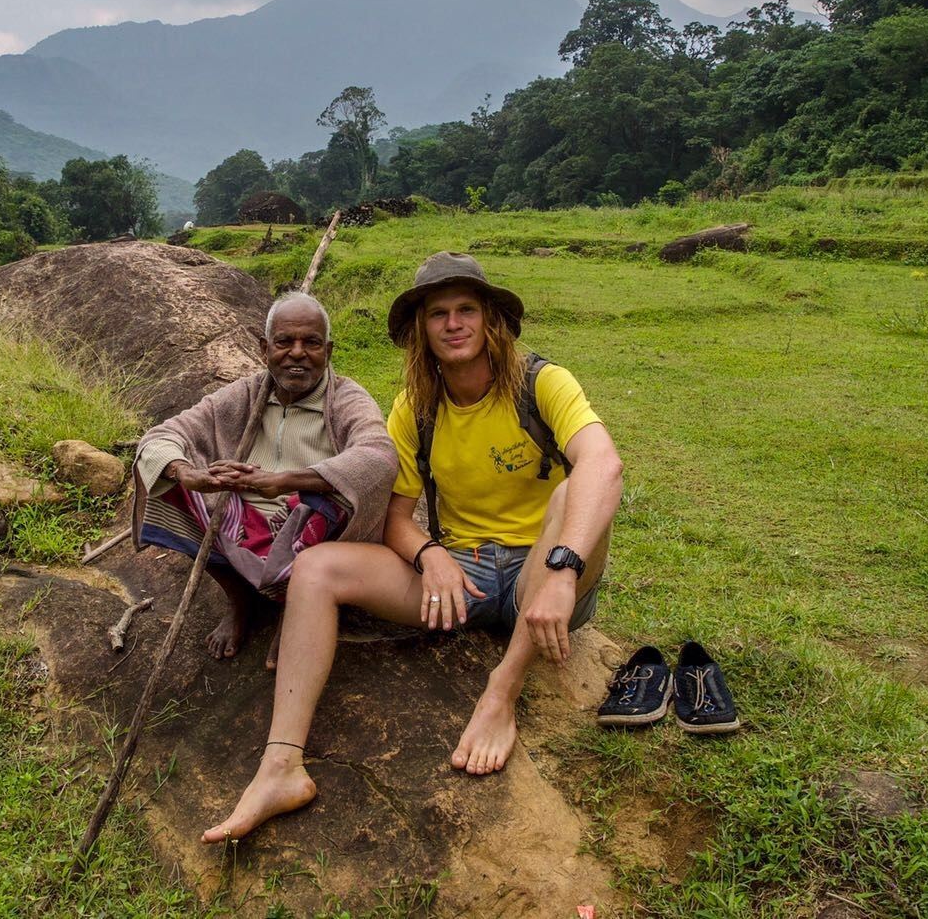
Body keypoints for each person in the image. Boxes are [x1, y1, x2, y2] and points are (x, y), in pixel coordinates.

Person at [203, 252, 622, 844]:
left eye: (467, 310)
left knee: (570, 494)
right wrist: (430, 555)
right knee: (318, 568)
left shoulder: (540, 382)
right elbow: (398, 518)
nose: (454, 324)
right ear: (422, 331)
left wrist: (560, 570)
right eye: (438, 314)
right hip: (467, 575)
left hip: (548, 572)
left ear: (490, 320)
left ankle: (500, 694)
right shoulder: (416, 405)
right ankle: (280, 767)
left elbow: (604, 463)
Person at [130, 291, 398, 661]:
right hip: (243, 522)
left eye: (312, 343)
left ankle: (298, 609)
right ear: (264, 349)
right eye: (285, 342)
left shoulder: (346, 398)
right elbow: (161, 437)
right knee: (164, 476)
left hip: (308, 527)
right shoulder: (246, 394)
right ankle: (240, 602)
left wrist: (286, 481)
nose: (298, 353)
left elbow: (378, 456)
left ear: (329, 351)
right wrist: (189, 474)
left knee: (329, 503)